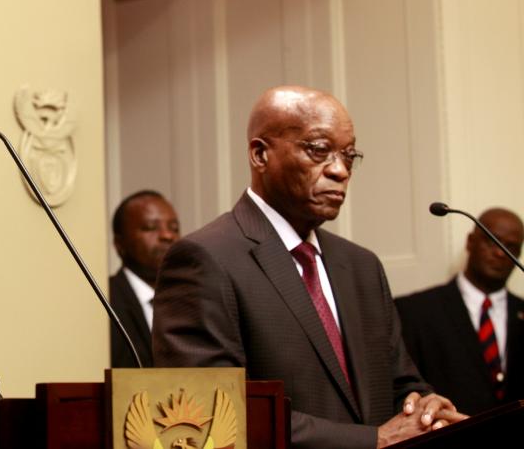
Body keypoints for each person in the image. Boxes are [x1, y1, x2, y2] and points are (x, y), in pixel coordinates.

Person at [152, 85, 465, 449]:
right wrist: (371, 440)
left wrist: (423, 407)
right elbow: (210, 412)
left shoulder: (361, 266)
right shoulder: (204, 259)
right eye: (319, 150)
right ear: (260, 154)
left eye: (349, 156)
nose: (340, 171)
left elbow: (400, 382)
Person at [396, 207, 524, 415]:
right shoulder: (414, 311)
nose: (500, 252)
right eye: (492, 241)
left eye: (511, 247)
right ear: (470, 242)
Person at [109, 190, 180, 367]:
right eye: (151, 227)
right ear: (119, 244)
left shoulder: (192, 300)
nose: (167, 236)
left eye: (174, 228)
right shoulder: (105, 300)